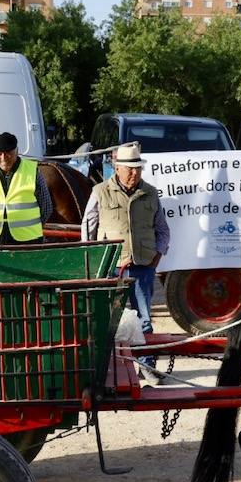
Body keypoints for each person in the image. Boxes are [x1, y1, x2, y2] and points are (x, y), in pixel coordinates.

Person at [82, 142, 170, 380]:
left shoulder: (150, 193)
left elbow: (163, 230)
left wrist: (157, 255)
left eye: (138, 168)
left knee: (144, 320)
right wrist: (92, 261)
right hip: (111, 268)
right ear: (117, 168)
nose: (134, 173)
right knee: (107, 320)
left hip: (143, 267)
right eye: (129, 168)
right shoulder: (100, 191)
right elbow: (88, 229)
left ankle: (147, 366)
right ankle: (103, 370)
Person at [0, 132, 51, 245]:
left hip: (28, 240)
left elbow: (46, 208)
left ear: (17, 151)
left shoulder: (33, 171)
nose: (4, 158)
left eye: (8, 153)